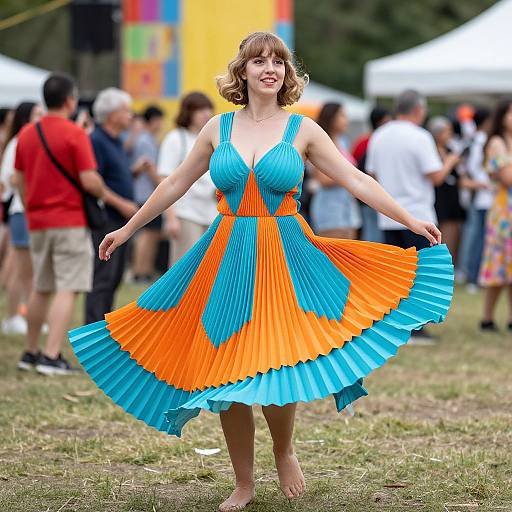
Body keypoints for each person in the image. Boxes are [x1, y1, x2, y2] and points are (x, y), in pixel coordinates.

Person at [69, 33, 453, 511]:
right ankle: (244, 482)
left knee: (273, 359)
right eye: (258, 61)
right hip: (227, 255)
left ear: (286, 74)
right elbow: (174, 183)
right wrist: (127, 229)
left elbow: (355, 179)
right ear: (243, 72)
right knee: (228, 369)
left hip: (286, 254)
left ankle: (284, 449)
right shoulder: (216, 127)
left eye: (278, 61)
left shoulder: (304, 130)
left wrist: (409, 220)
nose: (269, 68)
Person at [14, 72, 104, 374]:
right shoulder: (74, 134)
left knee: (42, 286)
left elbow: (19, 179)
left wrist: (31, 206)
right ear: (70, 100)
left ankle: (30, 352)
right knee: (69, 286)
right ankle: (52, 356)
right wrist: (105, 191)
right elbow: (89, 180)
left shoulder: (26, 133)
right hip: (68, 219)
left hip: (37, 220)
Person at [85, 88, 139, 324]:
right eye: (126, 111)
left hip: (120, 220)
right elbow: (94, 182)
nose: (131, 115)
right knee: (103, 277)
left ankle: (104, 325)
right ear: (111, 114)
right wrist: (122, 203)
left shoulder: (115, 141)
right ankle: (94, 327)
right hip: (106, 218)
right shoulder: (96, 140)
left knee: (115, 276)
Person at [157, 92, 216, 265]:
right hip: (186, 213)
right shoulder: (175, 138)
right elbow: (165, 178)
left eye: (208, 109)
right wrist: (171, 218)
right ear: (188, 113)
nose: (206, 114)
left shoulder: (213, 138)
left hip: (211, 213)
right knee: (185, 267)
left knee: (208, 268)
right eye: (200, 110)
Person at [0, 102, 44, 335]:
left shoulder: (30, 142)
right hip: (22, 213)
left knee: (27, 271)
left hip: (29, 214)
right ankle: (14, 317)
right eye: (37, 114)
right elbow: (10, 179)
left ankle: (24, 316)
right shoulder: (18, 143)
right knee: (21, 270)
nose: (41, 118)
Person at [479, 98, 512, 331]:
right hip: (504, 212)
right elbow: (507, 178)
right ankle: (487, 317)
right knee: (499, 266)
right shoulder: (497, 142)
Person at [310, 102, 361, 239]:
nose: (346, 120)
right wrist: (351, 177)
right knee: (333, 255)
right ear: (331, 118)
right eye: (342, 116)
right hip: (330, 207)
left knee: (350, 254)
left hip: (347, 206)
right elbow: (323, 179)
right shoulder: (319, 142)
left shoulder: (343, 141)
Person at [129, 105, 164, 283]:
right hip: (146, 193)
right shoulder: (145, 141)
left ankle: (145, 270)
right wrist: (162, 185)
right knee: (146, 234)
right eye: (159, 120)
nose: (161, 124)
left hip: (147, 193)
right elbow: (149, 167)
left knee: (152, 233)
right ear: (153, 121)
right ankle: (138, 271)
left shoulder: (147, 139)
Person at [461, 107, 493, 292]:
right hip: (485, 196)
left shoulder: (474, 139)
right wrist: (484, 182)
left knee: (477, 237)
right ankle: (474, 277)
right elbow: (475, 167)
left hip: (482, 196)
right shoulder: (481, 140)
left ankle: (474, 276)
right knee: (480, 239)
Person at [427, 116, 465, 266]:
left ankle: (451, 266)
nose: (450, 135)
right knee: (441, 235)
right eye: (447, 131)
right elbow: (438, 178)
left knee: (454, 234)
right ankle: (441, 267)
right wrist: (449, 162)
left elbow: (459, 177)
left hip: (452, 198)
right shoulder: (431, 152)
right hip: (439, 199)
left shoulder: (450, 150)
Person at [351, 106, 391, 242]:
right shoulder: (377, 141)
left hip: (362, 195)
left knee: (370, 231)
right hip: (374, 194)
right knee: (375, 234)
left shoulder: (361, 142)